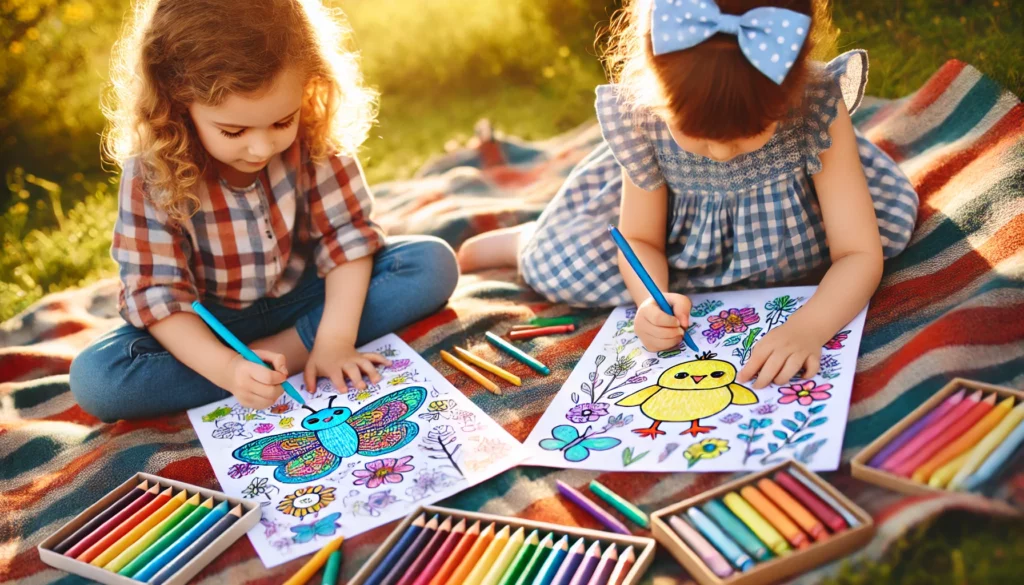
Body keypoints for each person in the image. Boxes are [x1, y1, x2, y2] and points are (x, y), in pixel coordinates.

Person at [458, 0, 917, 388]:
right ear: (655, 88)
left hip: (803, 236)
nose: (719, 152)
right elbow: (640, 241)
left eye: (749, 132)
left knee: (889, 227)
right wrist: (650, 301)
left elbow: (858, 251)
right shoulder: (645, 116)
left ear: (792, 82)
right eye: (695, 133)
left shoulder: (816, 100)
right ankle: (523, 238)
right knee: (562, 265)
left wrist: (809, 328)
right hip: (678, 248)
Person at [70, 0, 459, 421]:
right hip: (213, 329)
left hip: (307, 298)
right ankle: (258, 370)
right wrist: (228, 368)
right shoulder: (152, 170)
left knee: (430, 263)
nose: (261, 148)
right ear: (177, 105)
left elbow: (347, 236)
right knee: (99, 380)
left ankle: (289, 355)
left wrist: (335, 339)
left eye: (281, 122)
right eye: (234, 131)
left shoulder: (313, 132)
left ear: (309, 88)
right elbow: (158, 295)